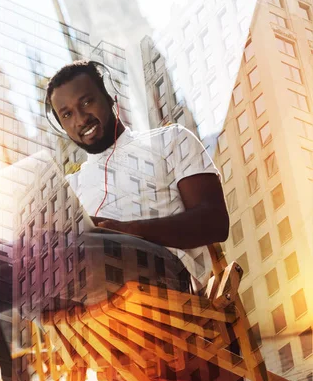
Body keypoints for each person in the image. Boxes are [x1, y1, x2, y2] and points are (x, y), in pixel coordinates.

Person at [46, 60, 229, 292]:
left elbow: (215, 222)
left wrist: (126, 232)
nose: (81, 119)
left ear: (110, 95)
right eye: (67, 114)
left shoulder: (170, 140)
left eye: (87, 101)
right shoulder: (69, 189)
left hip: (169, 285)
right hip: (94, 304)